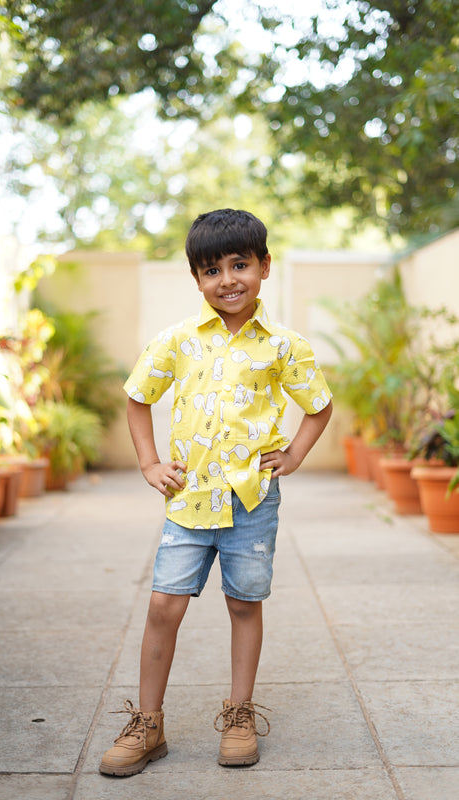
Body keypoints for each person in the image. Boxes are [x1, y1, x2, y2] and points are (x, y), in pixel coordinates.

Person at [99, 208, 333, 777]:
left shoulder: (283, 346)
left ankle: (238, 713)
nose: (227, 279)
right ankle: (147, 723)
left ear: (264, 267)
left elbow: (319, 406)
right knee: (163, 606)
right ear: (196, 279)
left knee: (243, 603)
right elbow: (137, 397)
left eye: (239, 264)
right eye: (211, 270)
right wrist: (149, 461)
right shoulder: (178, 340)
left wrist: (295, 454)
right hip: (188, 500)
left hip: (252, 500)